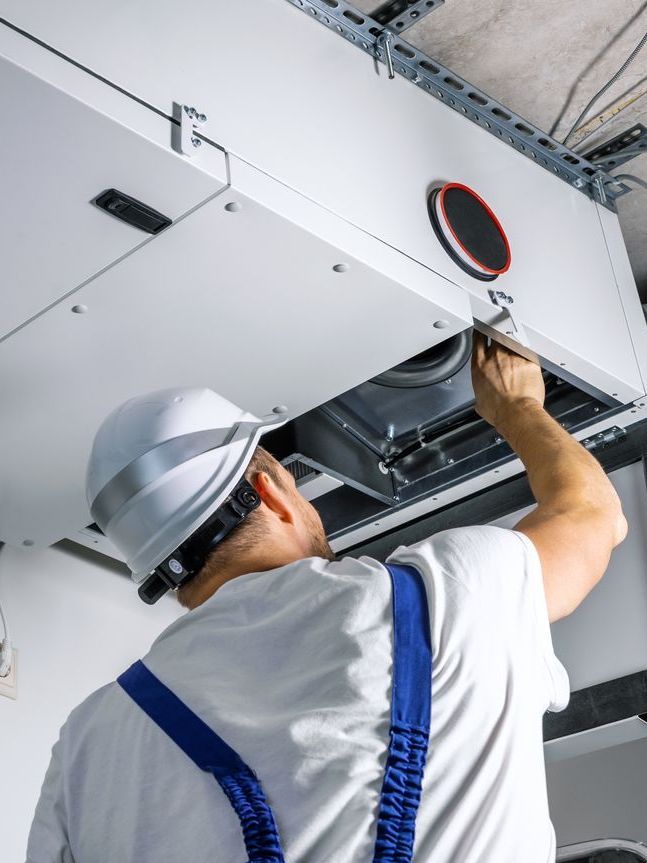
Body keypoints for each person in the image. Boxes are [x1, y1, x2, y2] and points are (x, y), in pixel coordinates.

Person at [27, 332, 627, 863]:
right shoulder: (441, 595)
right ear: (272, 491)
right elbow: (591, 516)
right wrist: (517, 405)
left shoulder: (86, 743)